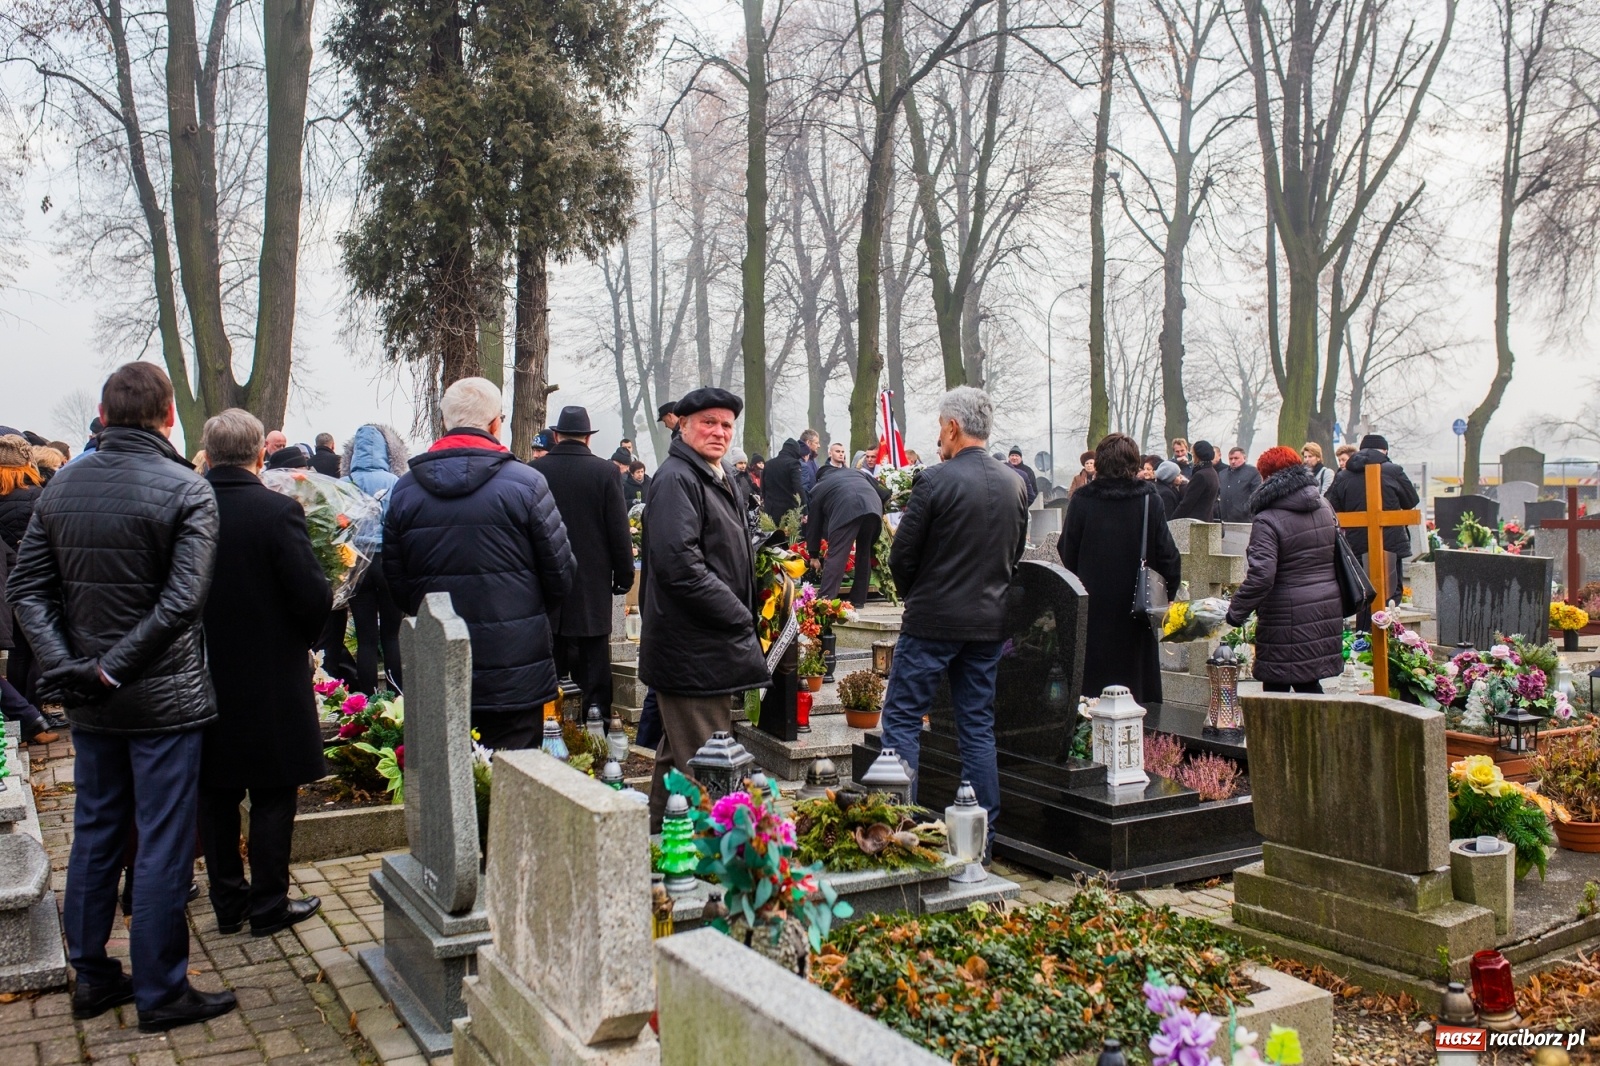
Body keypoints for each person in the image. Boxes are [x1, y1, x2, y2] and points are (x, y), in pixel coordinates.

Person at [7, 362, 237, 1031]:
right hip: (158, 697)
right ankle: (160, 990)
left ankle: (93, 974)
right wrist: (89, 669)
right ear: (169, 416)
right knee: (160, 840)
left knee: (97, 830)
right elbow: (182, 602)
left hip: (99, 692)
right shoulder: (186, 489)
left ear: (104, 416)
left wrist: (80, 668)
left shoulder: (63, 485)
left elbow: (29, 591)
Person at [196, 409, 329, 937]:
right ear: (259, 455)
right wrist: (304, 638)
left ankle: (228, 901)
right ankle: (269, 904)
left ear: (209, 454)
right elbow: (311, 593)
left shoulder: (188, 507)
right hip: (270, 669)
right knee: (273, 790)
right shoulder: (277, 511)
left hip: (200, 669)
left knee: (215, 789)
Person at [384, 378, 574, 749]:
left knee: (446, 770)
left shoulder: (406, 490)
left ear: (445, 422)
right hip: (514, 661)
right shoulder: (527, 483)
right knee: (515, 771)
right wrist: (522, 611)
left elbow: (399, 582)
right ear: (495, 423)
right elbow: (561, 573)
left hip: (441, 661)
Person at [881, 387, 1027, 854]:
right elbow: (1014, 555)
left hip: (933, 622)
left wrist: (916, 594)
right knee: (976, 726)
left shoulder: (935, 480)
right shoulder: (1014, 483)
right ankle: (980, 841)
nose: (939, 438)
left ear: (953, 427)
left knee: (903, 718)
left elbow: (901, 556)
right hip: (987, 624)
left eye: (940, 428)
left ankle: (897, 831)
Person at [640, 388, 769, 829]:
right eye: (708, 422)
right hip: (692, 648)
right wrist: (739, 614)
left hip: (708, 644)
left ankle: (654, 838)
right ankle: (711, 853)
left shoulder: (719, 474)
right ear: (683, 425)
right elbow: (681, 568)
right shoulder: (677, 479)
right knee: (708, 763)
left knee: (679, 758)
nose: (719, 432)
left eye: (726, 425)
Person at [1058, 433, 1181, 704]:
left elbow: (1066, 548)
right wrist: (1168, 592)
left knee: (1094, 690)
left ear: (1100, 462)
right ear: (1134, 463)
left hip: (1093, 604)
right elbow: (1168, 554)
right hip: (1137, 604)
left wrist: (1084, 577)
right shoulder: (1148, 500)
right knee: (1136, 688)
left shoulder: (1082, 500)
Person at [532, 406, 635, 716]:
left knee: (547, 664)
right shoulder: (605, 472)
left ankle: (546, 726)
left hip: (546, 583)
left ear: (557, 436)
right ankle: (596, 725)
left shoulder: (535, 471)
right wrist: (624, 575)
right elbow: (618, 529)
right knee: (593, 665)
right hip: (591, 583)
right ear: (588, 438)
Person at [1224, 445, 1342, 693]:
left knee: (1276, 689)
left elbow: (1262, 575)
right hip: (1325, 606)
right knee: (1308, 682)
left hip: (1285, 614)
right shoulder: (1324, 505)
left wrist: (1236, 611)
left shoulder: (1267, 518)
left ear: (1267, 477)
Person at [343, 424, 410, 693]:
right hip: (387, 562)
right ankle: (397, 696)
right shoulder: (395, 482)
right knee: (392, 635)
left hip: (356, 563)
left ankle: (367, 699)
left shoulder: (345, 484)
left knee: (366, 638)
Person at [0, 435, 57, 744]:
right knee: (37, 652)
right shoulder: (37, 496)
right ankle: (33, 718)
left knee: (17, 653)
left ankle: (20, 721)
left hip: (5, 584)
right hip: (36, 583)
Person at [1326, 433, 1419, 617]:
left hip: (1357, 543)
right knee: (1390, 593)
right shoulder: (1393, 471)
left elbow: (1331, 507)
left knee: (1363, 591)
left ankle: (1364, 632)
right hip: (1390, 543)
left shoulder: (1343, 475)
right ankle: (1388, 632)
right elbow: (1411, 501)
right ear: (1384, 451)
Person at [806, 467, 889, 607]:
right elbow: (885, 492)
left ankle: (825, 600)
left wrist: (813, 554)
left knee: (837, 554)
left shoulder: (819, 487)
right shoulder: (857, 472)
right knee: (864, 553)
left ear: (819, 478)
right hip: (873, 507)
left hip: (846, 508)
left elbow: (814, 524)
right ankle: (858, 600)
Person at [762, 436, 809, 523]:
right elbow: (798, 487)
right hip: (788, 513)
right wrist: (804, 510)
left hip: (770, 511)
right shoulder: (793, 463)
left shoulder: (768, 464)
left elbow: (763, 488)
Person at [1170, 440, 1220, 520]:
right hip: (1207, 519)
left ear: (1198, 455)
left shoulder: (1200, 476)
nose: (1192, 456)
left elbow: (1187, 502)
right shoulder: (1212, 472)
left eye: (1193, 454)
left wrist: (1172, 520)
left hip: (1196, 521)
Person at [1216, 446, 1262, 522]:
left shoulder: (1252, 473)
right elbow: (1217, 493)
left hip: (1244, 519)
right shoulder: (1222, 474)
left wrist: (1244, 509)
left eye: (1236, 458)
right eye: (1230, 459)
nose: (1233, 461)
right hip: (1224, 518)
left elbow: (1257, 495)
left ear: (1244, 458)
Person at [798, 429, 821, 499]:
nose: (819, 446)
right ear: (808, 442)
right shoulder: (798, 461)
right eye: (816, 443)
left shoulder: (814, 460)